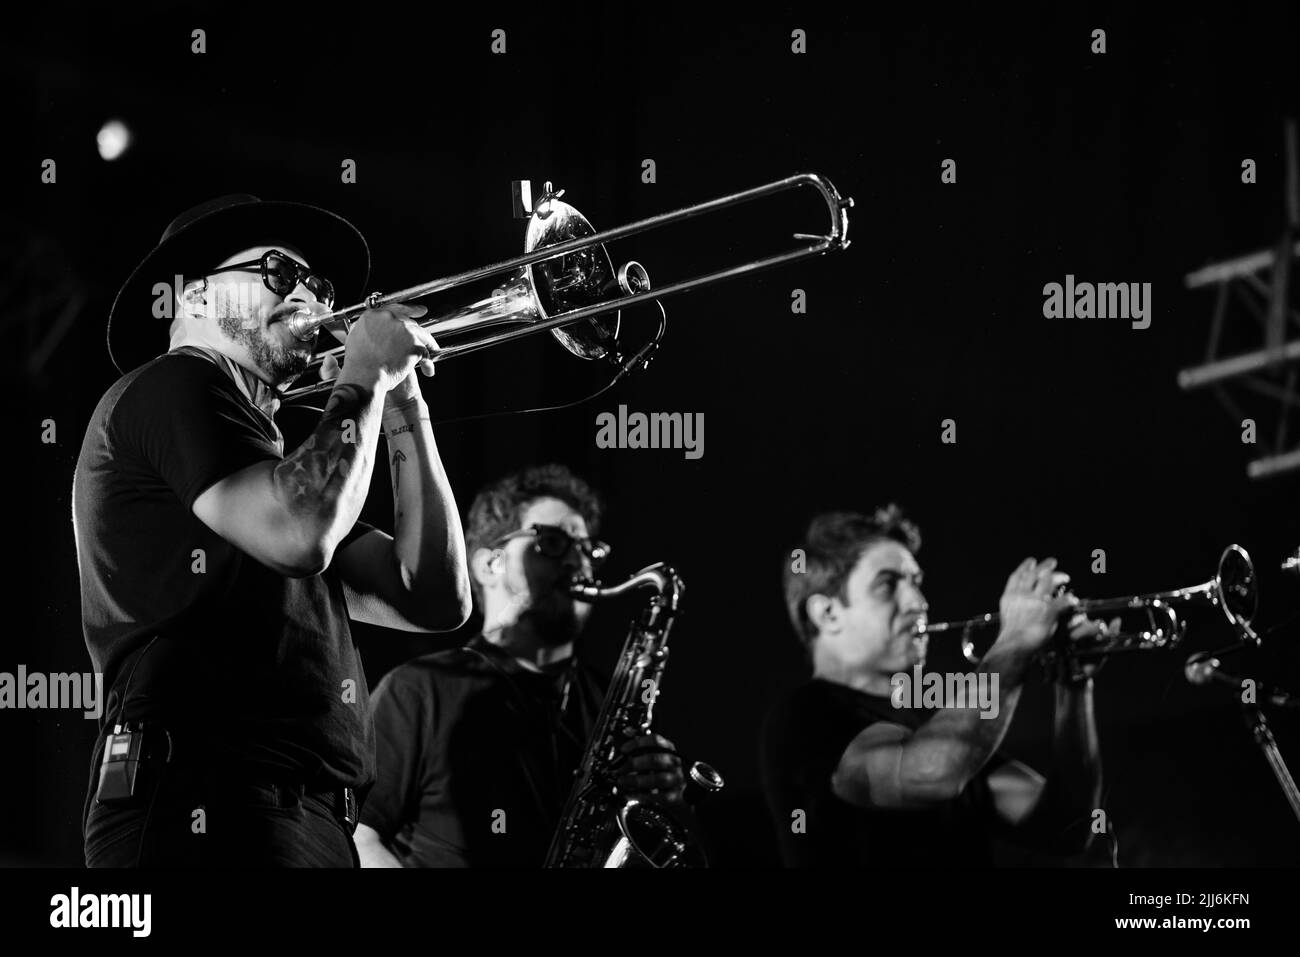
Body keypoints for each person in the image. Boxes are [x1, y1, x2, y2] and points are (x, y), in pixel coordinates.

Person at [74, 194, 471, 867]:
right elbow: (300, 533)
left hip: (303, 817)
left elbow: (432, 594)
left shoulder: (277, 469)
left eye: (320, 286)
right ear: (194, 297)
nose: (312, 297)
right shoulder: (173, 386)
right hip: (208, 800)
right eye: (282, 272)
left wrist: (403, 403)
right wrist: (365, 373)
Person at [355, 464, 684, 867]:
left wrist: (659, 801)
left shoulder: (609, 700)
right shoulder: (418, 689)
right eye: (553, 542)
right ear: (488, 564)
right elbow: (359, 839)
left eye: (588, 549)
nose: (578, 563)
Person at [760, 506, 1105, 867]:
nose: (919, 603)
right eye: (887, 585)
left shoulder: (936, 721)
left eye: (916, 583)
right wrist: (1015, 642)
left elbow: (1068, 826)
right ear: (827, 614)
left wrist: (1073, 683)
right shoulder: (803, 717)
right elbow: (931, 773)